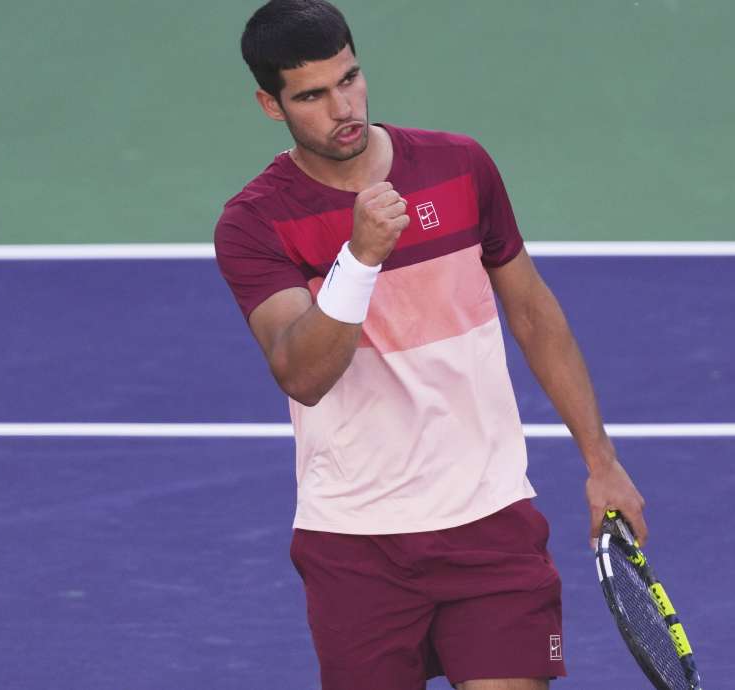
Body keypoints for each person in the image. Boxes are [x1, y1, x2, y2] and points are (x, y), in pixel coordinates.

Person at [214, 1, 647, 688]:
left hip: (489, 518)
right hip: (355, 541)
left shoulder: (459, 165)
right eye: (312, 95)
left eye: (349, 79)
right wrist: (359, 258)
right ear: (272, 105)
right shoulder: (255, 223)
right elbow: (303, 374)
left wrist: (602, 461)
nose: (343, 108)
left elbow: (533, 313)